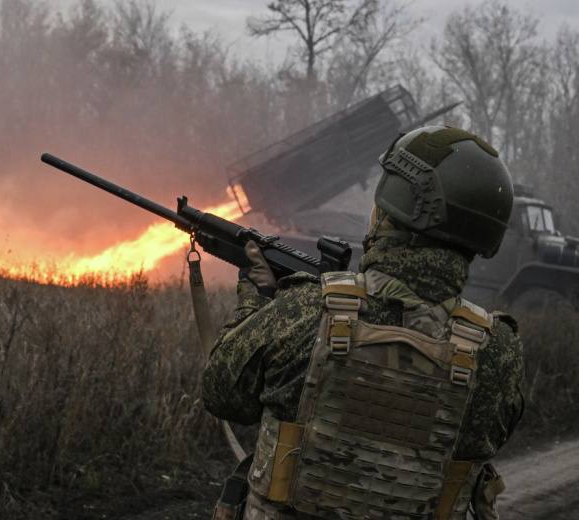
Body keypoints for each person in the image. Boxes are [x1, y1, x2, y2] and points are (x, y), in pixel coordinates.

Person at [202, 126, 525, 520]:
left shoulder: (305, 310)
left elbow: (221, 393)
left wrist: (255, 300)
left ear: (390, 212)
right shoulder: (498, 354)